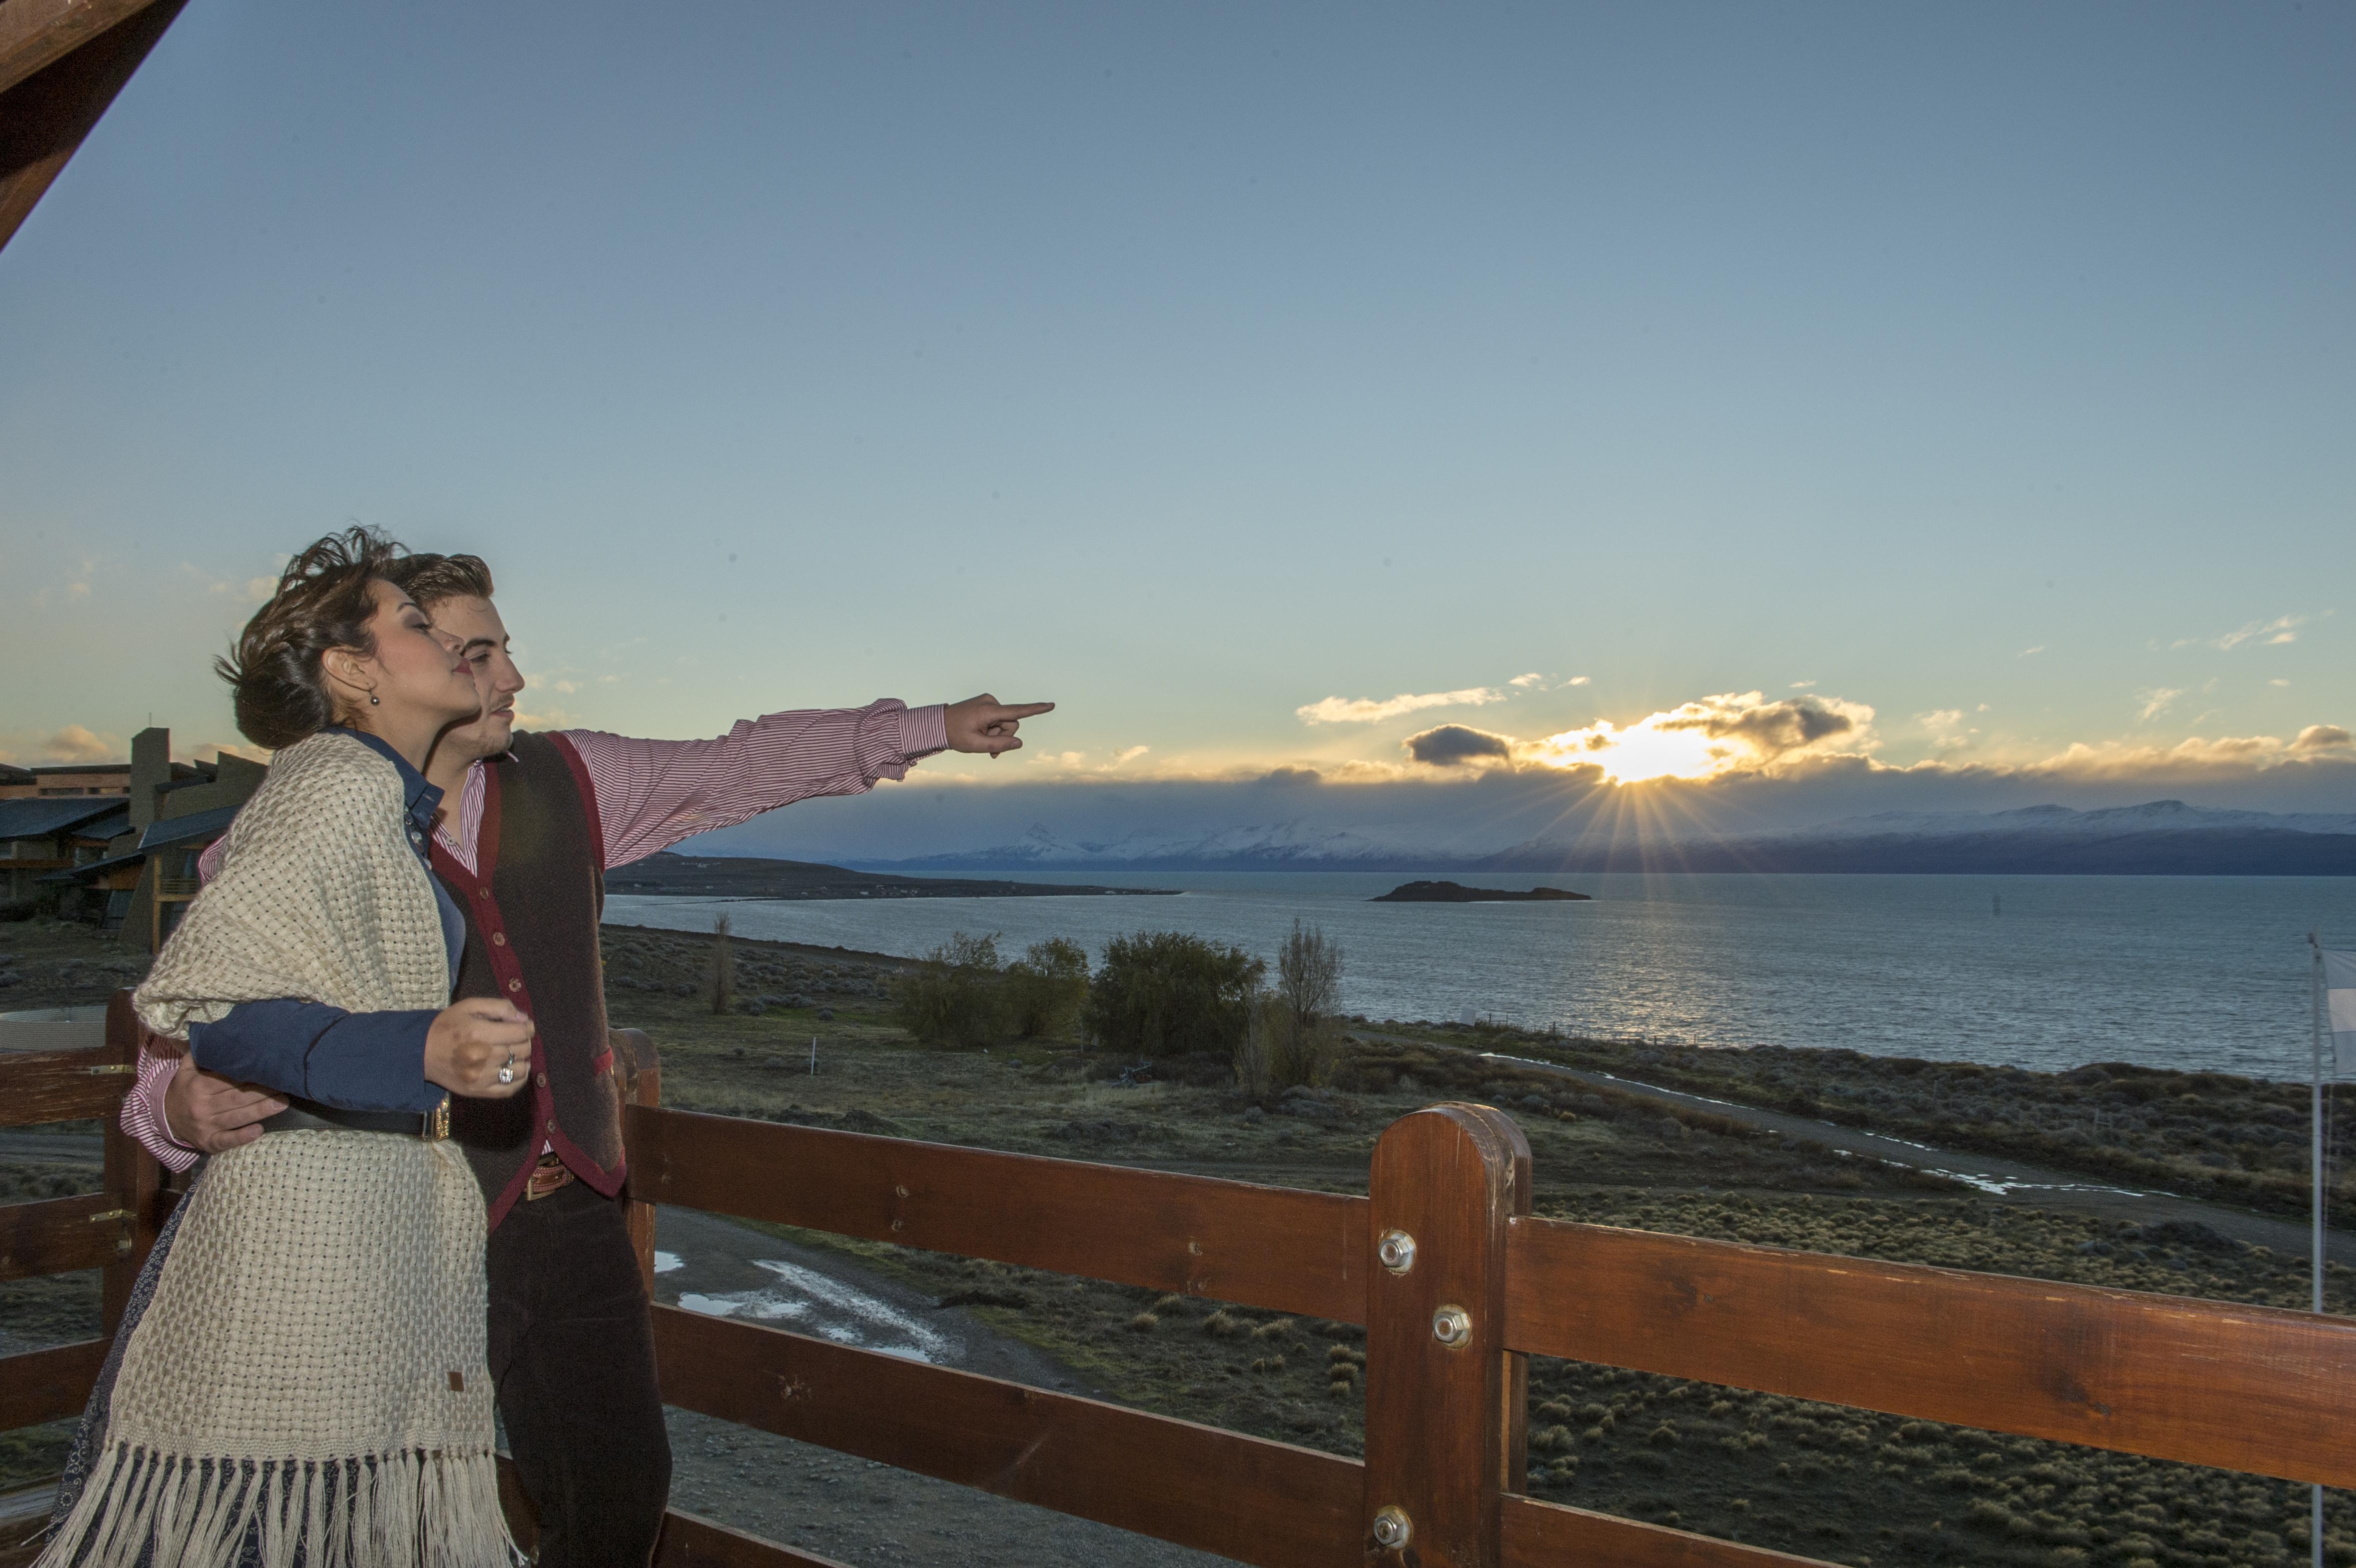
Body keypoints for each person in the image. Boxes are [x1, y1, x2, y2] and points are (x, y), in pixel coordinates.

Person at [121, 548, 1051, 1567]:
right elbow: (194, 1017)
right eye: (472, 651)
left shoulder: (570, 778)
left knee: (618, 1493)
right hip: (406, 1229)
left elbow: (736, 765)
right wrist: (175, 1105)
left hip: (573, 1210)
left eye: (504, 650)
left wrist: (930, 729)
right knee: (383, 1517)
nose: (508, 677)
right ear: (377, 670)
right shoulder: (303, 818)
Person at [46, 530, 537, 1568]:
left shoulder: (380, 804)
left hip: (345, 1247)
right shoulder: (333, 784)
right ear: (353, 672)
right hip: (293, 1270)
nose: (450, 645)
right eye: (413, 623)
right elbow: (226, 1014)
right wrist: (426, 1049)